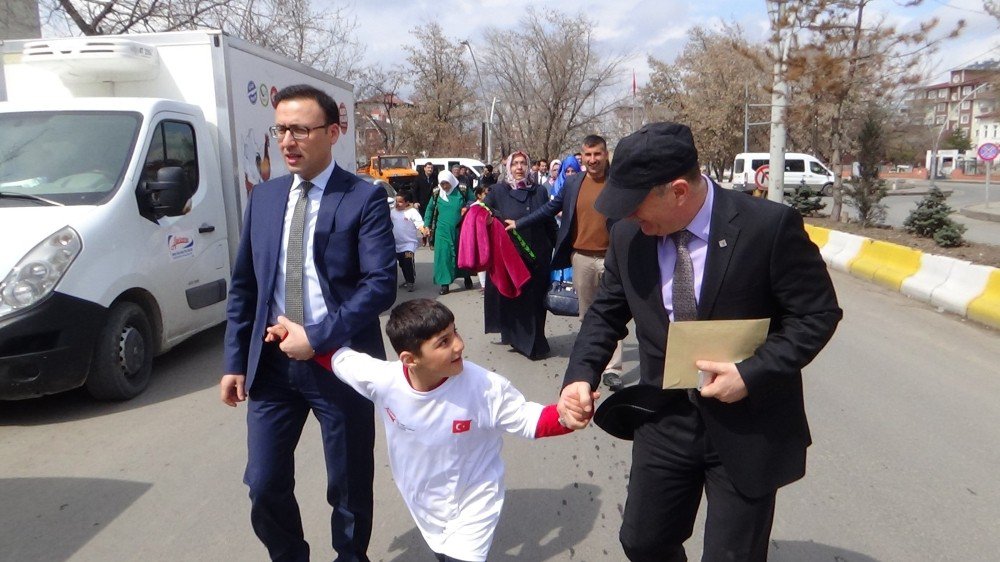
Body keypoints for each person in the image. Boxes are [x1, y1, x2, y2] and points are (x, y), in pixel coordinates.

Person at [557, 122, 842, 561]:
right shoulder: (629, 235)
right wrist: (579, 374)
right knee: (643, 542)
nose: (629, 217)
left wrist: (751, 373)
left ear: (677, 191)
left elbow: (816, 314)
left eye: (636, 206)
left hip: (747, 422)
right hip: (665, 415)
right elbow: (607, 311)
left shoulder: (767, 227)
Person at [264, 298, 586, 562]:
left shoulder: (484, 388)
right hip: (424, 505)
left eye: (455, 332)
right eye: (443, 342)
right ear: (410, 359)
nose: (459, 345)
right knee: (441, 553)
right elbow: (335, 357)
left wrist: (567, 416)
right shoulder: (383, 380)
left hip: (473, 502)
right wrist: (290, 334)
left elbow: (531, 419)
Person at [220, 83, 397, 562]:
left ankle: (349, 557)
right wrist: (236, 360)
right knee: (263, 483)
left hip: (340, 362)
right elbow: (246, 288)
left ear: (333, 132)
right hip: (274, 369)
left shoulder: (363, 198)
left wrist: (316, 337)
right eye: (280, 130)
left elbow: (380, 284)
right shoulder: (265, 198)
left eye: (299, 129)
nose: (287, 141)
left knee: (348, 483)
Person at [509, 136, 624, 389]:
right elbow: (549, 209)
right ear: (581, 157)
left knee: (613, 314)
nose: (592, 159)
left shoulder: (619, 182)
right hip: (581, 258)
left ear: (606, 155)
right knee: (587, 315)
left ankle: (612, 368)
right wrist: (519, 223)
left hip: (612, 259)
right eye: (587, 155)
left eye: (597, 154)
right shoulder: (573, 183)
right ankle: (590, 361)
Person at [483, 150, 557, 360]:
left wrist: (560, 249)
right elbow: (483, 212)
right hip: (511, 258)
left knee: (535, 302)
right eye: (515, 163)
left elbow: (549, 220)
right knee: (514, 299)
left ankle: (535, 343)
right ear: (508, 167)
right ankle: (516, 338)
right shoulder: (498, 191)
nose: (519, 167)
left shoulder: (539, 191)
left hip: (538, 256)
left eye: (523, 163)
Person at [424, 170, 474, 294]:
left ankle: (466, 277)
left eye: (446, 183)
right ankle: (444, 284)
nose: (445, 187)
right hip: (442, 231)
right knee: (443, 256)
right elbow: (430, 209)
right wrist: (426, 225)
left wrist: (466, 207)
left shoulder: (462, 190)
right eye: (442, 184)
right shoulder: (437, 193)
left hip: (460, 229)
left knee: (461, 254)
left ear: (451, 181)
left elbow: (473, 202)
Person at [391, 190, 426, 292]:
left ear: (407, 203)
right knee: (402, 263)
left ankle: (410, 281)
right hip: (396, 245)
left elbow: (419, 223)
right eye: (396, 201)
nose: (397, 204)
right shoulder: (392, 212)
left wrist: (423, 230)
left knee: (408, 262)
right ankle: (407, 280)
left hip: (409, 245)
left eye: (400, 202)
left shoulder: (412, 212)